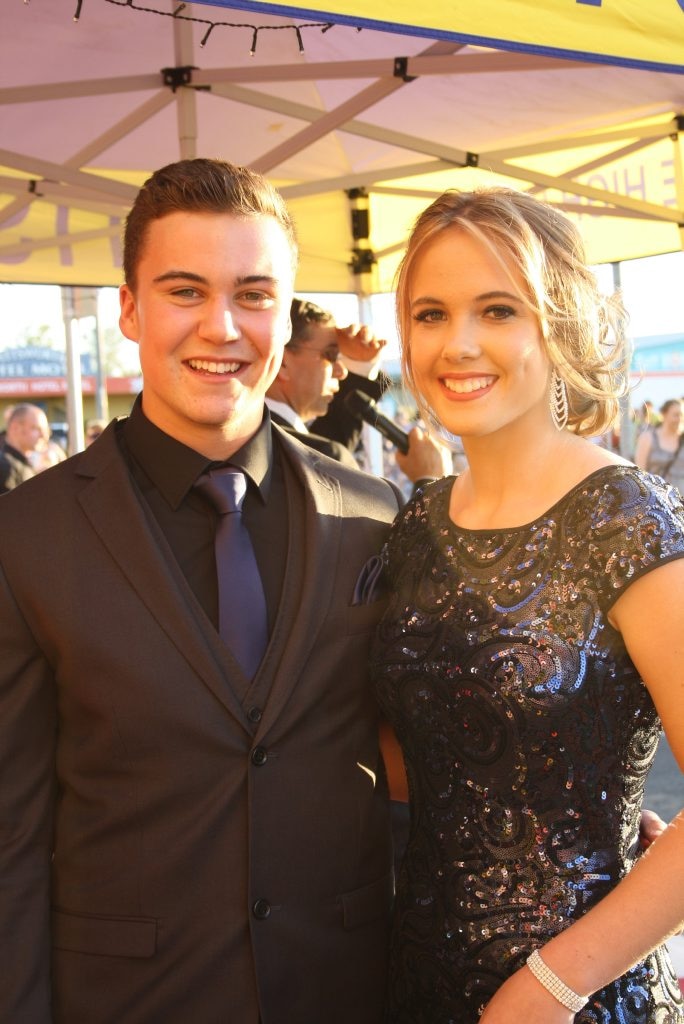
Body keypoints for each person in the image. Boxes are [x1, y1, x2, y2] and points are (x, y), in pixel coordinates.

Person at [0, 158, 402, 1023]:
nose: (222, 327)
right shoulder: (26, 538)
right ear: (130, 309)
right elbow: (11, 841)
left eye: (253, 295)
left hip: (346, 993)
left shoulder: (372, 515)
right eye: (185, 291)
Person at [371, 187, 684, 1023]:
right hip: (415, 985)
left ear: (562, 325)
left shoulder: (626, 519)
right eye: (431, 314)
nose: (459, 343)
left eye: (498, 309)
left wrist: (551, 988)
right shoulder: (412, 527)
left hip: (576, 1003)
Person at [265, 297, 359, 467]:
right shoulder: (320, 455)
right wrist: (422, 477)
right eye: (330, 355)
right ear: (282, 362)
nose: (342, 371)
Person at [635, 397, 684, 494]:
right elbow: (639, 474)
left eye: (682, 415)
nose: (680, 419)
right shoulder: (648, 438)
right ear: (664, 414)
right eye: (676, 415)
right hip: (658, 502)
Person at [0, 401, 49, 492]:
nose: (43, 435)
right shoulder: (5, 467)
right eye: (36, 428)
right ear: (16, 428)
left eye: (45, 430)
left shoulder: (21, 464)